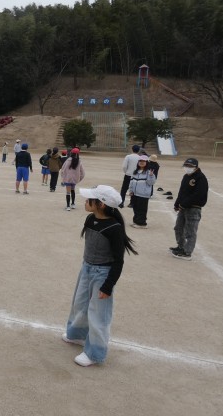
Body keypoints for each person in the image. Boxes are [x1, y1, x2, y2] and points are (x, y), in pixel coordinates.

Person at [63, 185, 137, 367]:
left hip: (102, 274)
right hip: (86, 269)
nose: (85, 201)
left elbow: (118, 261)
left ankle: (95, 353)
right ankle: (77, 334)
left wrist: (107, 286)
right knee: (79, 304)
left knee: (98, 314)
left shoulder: (114, 228)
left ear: (101, 204)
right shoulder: (90, 219)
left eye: (90, 199)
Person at [170, 158, 209, 261]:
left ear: (196, 167)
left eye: (190, 166)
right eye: (186, 165)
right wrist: (177, 203)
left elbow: (198, 194)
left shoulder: (201, 178)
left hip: (193, 208)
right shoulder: (186, 176)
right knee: (178, 228)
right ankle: (181, 246)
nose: (188, 168)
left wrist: (184, 204)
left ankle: (187, 252)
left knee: (190, 231)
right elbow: (182, 191)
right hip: (183, 207)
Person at [127, 155, 156, 229]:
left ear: (146, 163)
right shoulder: (135, 172)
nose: (142, 162)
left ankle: (142, 223)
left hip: (143, 194)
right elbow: (131, 182)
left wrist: (151, 175)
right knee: (135, 208)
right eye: (140, 161)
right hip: (135, 194)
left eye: (144, 161)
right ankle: (136, 221)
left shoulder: (149, 172)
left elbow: (151, 183)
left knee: (142, 209)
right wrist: (131, 190)